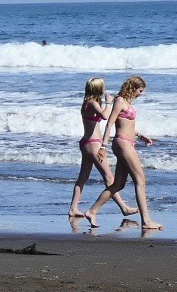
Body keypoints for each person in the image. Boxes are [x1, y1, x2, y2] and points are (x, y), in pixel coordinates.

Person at [85, 75, 160, 231]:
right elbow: (110, 123)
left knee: (118, 184)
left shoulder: (126, 103)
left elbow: (128, 124)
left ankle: (92, 211)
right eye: (140, 90)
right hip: (123, 143)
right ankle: (146, 221)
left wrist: (140, 135)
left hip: (128, 142)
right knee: (140, 180)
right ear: (133, 88)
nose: (141, 94)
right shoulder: (120, 101)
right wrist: (103, 146)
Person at [67, 77, 125, 220]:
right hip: (93, 144)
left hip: (86, 143)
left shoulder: (86, 102)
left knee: (83, 178)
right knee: (109, 177)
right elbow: (105, 116)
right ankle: (123, 207)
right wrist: (109, 102)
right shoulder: (92, 103)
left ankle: (73, 208)